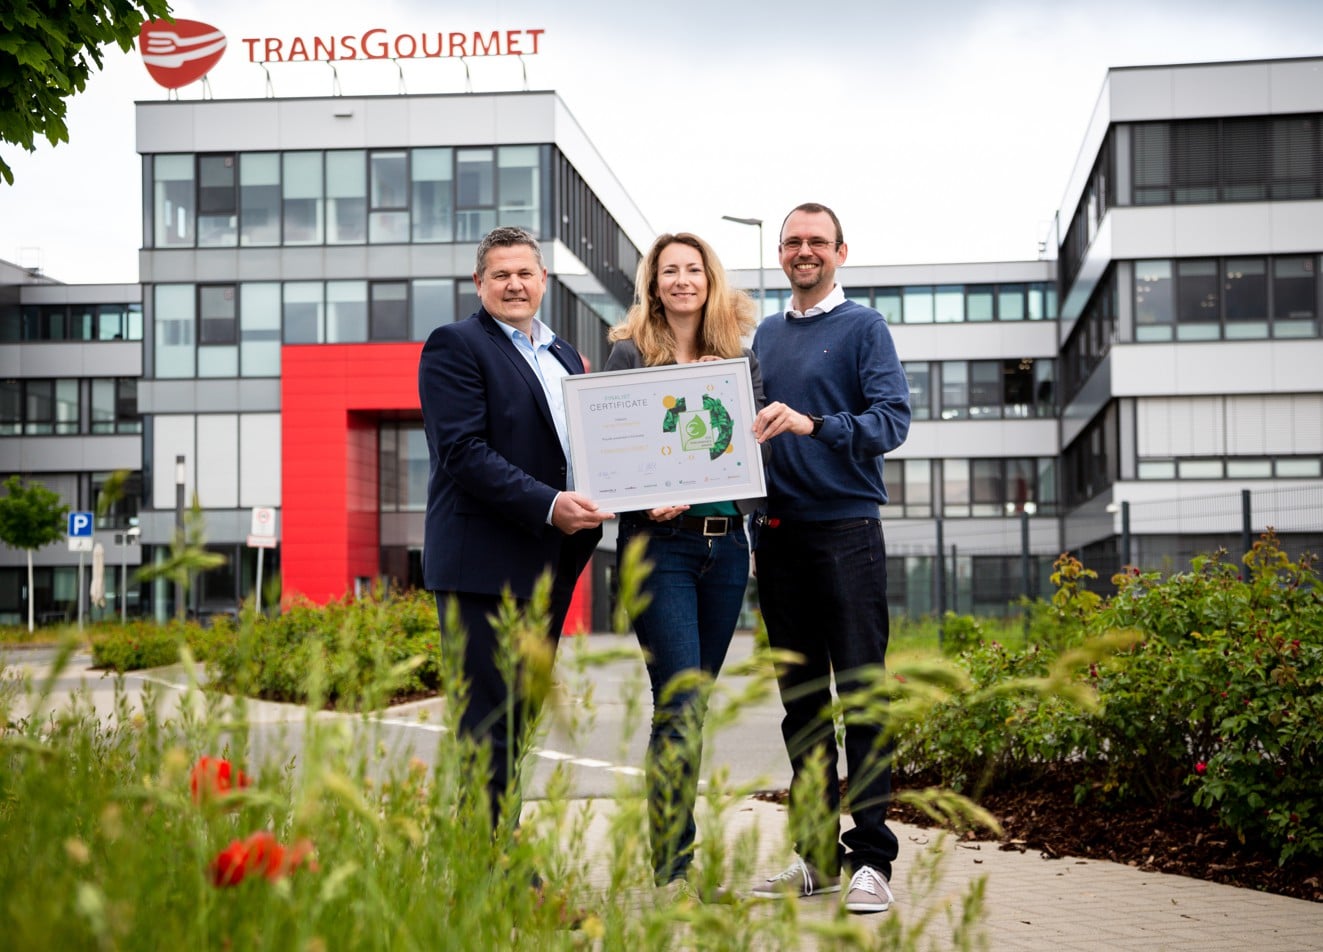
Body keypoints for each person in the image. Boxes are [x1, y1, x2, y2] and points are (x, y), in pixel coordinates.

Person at [418, 225, 613, 833]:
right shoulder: (455, 346)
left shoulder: (564, 356)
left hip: (550, 561)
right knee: (485, 726)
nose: (514, 284)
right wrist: (550, 504)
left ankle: (488, 854)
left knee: (519, 721)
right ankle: (490, 864)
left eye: (525, 273)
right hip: (482, 566)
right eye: (500, 274)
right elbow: (463, 452)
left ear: (543, 281)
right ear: (479, 283)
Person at [749, 203, 911, 915]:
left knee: (862, 700)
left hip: (847, 533)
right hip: (778, 539)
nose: (804, 251)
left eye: (817, 241)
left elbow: (892, 421)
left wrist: (814, 425)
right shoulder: (764, 334)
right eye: (793, 242)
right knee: (804, 709)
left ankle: (871, 859)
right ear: (781, 254)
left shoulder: (864, 328)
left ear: (841, 251)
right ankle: (816, 857)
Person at [603, 232, 763, 898]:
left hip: (726, 548)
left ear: (709, 279)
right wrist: (642, 498)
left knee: (694, 708)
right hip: (659, 547)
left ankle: (677, 862)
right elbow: (609, 450)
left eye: (692, 269)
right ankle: (672, 871)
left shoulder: (741, 361)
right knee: (678, 704)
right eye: (668, 270)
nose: (681, 280)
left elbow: (752, 449)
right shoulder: (629, 354)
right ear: (653, 284)